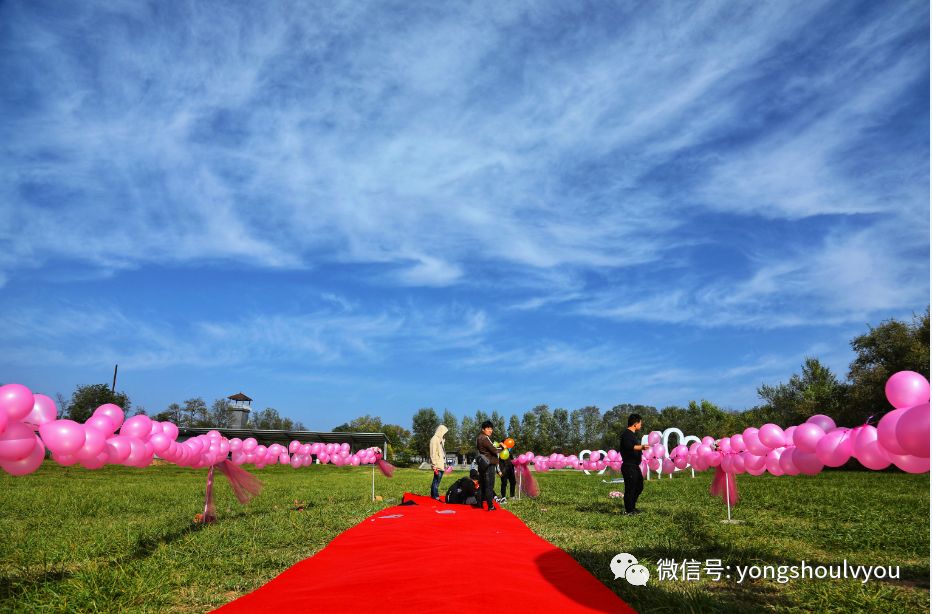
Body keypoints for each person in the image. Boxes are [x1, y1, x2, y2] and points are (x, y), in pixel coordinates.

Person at [620, 413, 647, 515]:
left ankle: (632, 507)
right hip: (629, 466)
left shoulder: (632, 435)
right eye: (640, 423)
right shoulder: (626, 434)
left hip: (634, 466)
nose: (641, 425)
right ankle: (629, 510)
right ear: (635, 423)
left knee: (639, 486)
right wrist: (641, 447)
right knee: (630, 488)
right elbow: (628, 446)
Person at [475, 420, 500, 511]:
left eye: (491, 429)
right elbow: (494, 450)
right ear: (483, 429)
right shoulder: (484, 438)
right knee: (489, 485)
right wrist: (503, 447)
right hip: (489, 464)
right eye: (488, 429)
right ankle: (490, 506)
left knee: (482, 485)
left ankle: (479, 503)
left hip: (483, 464)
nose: (490, 430)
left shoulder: (479, 438)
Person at [429, 424, 448, 500]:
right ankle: (435, 496)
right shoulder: (434, 439)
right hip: (437, 464)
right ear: (440, 431)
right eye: (444, 432)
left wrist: (443, 440)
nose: (445, 434)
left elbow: (441, 451)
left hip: (441, 463)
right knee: (436, 481)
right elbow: (432, 453)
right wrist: (434, 465)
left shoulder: (439, 439)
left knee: (437, 480)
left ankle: (433, 495)